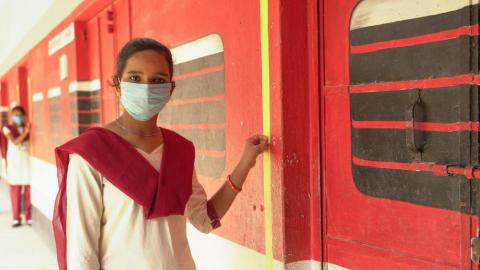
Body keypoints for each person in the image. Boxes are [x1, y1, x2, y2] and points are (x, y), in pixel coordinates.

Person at [52, 38, 269, 270]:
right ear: (117, 85)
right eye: (135, 78)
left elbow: (204, 218)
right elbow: (81, 252)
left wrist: (246, 162)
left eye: (158, 80)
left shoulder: (180, 150)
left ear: (169, 90)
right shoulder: (91, 153)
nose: (146, 88)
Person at [3, 105, 31, 227]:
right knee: (15, 189)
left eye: (20, 115)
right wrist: (26, 132)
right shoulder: (7, 128)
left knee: (28, 189)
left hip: (27, 161)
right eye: (16, 115)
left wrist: (26, 131)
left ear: (24, 116)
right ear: (12, 116)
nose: (18, 117)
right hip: (14, 162)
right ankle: (16, 217)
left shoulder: (27, 127)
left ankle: (28, 216)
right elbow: (14, 142)